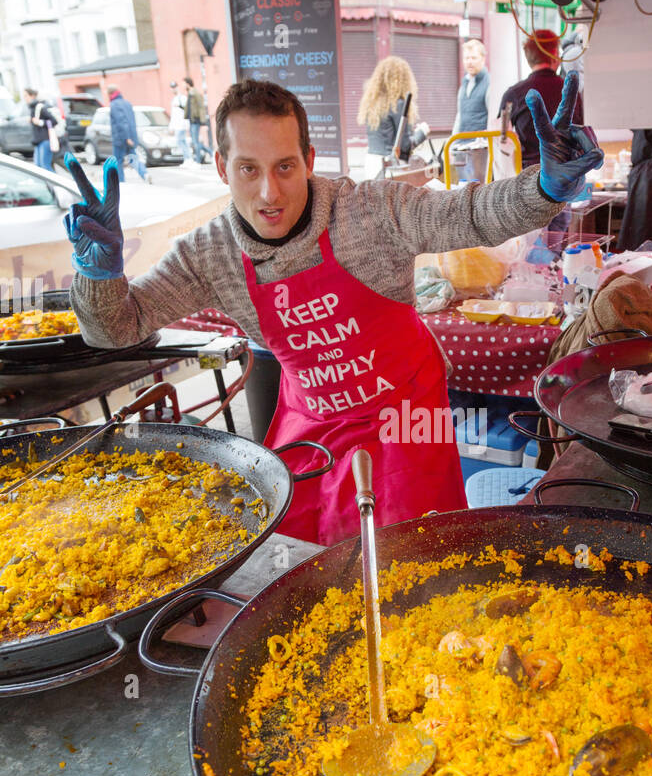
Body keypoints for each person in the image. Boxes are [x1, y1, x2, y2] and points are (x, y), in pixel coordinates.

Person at [65, 75, 602, 546]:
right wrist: (99, 277)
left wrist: (547, 186)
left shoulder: (370, 212)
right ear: (221, 166)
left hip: (405, 413)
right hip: (312, 414)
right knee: (293, 552)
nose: (268, 192)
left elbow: (471, 215)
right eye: (248, 169)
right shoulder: (206, 254)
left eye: (285, 167)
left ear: (310, 162)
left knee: (413, 551)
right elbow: (117, 329)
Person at [498, 31, 583, 169]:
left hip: (528, 176)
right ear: (554, 54)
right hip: (566, 174)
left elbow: (501, 139)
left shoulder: (512, 95)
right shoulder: (571, 91)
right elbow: (580, 134)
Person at [357, 57, 429, 180]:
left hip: (371, 163)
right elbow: (404, 146)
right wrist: (422, 132)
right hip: (390, 167)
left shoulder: (372, 103)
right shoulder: (398, 104)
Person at [452, 39, 489, 183]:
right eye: (467, 58)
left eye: (474, 57)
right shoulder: (464, 84)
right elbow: (459, 116)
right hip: (462, 147)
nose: (470, 62)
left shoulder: (489, 83)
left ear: (483, 59)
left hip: (480, 151)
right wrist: (452, 142)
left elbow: (492, 116)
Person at [107, 86, 147, 183]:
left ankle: (121, 182)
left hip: (121, 138)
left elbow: (121, 122)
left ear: (110, 94)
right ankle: (144, 173)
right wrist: (131, 137)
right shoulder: (127, 103)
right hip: (131, 137)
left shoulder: (114, 105)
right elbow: (131, 121)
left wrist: (126, 137)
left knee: (118, 161)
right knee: (133, 158)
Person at [25, 87, 58, 172]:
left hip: (45, 140)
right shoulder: (32, 108)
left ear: (32, 96)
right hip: (38, 141)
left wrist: (39, 122)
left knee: (45, 166)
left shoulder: (39, 107)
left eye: (26, 96)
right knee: (38, 167)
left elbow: (54, 121)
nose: (24, 98)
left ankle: (55, 183)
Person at [184, 75, 210, 164]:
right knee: (195, 141)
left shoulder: (195, 93)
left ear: (188, 84)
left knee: (195, 142)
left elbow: (201, 106)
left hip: (196, 120)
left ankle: (198, 161)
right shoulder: (190, 93)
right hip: (191, 120)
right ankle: (210, 152)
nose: (183, 86)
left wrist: (203, 121)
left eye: (184, 84)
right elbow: (189, 108)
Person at [169, 80, 192, 163]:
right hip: (177, 125)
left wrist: (186, 124)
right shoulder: (174, 99)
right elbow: (173, 115)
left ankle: (188, 158)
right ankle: (188, 158)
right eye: (172, 88)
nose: (173, 89)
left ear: (177, 88)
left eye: (174, 87)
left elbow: (186, 112)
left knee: (180, 141)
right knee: (182, 141)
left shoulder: (182, 98)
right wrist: (171, 126)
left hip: (182, 124)